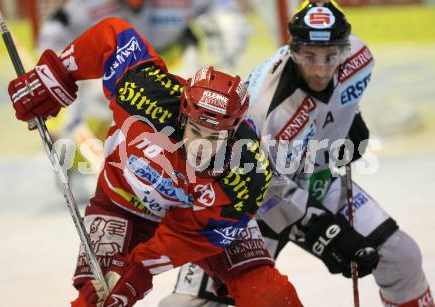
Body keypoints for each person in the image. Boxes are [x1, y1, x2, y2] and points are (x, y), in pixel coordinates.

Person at [7, 17, 303, 307]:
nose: (201, 145)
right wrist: (57, 75)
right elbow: (114, 36)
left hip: (196, 223)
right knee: (96, 297)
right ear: (182, 115)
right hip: (123, 203)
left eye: (215, 137)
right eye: (196, 130)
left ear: (232, 133)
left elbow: (186, 236)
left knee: (266, 292)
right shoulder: (147, 95)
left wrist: (138, 271)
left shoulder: (246, 174)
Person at [160, 1, 434, 307]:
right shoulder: (269, 110)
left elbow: (334, 103)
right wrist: (325, 233)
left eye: (331, 56)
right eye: (309, 57)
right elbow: (266, 190)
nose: (320, 69)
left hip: (315, 178)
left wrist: (346, 122)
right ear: (293, 51)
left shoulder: (359, 60)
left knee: (401, 259)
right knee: (190, 304)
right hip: (246, 202)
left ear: (344, 49)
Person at [37, 0, 253, 195]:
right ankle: (78, 160)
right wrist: (52, 75)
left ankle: (198, 169)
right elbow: (55, 35)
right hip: (117, 69)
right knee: (92, 100)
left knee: (198, 107)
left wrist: (228, 28)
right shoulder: (85, 7)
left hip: (176, 64)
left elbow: (224, 6)